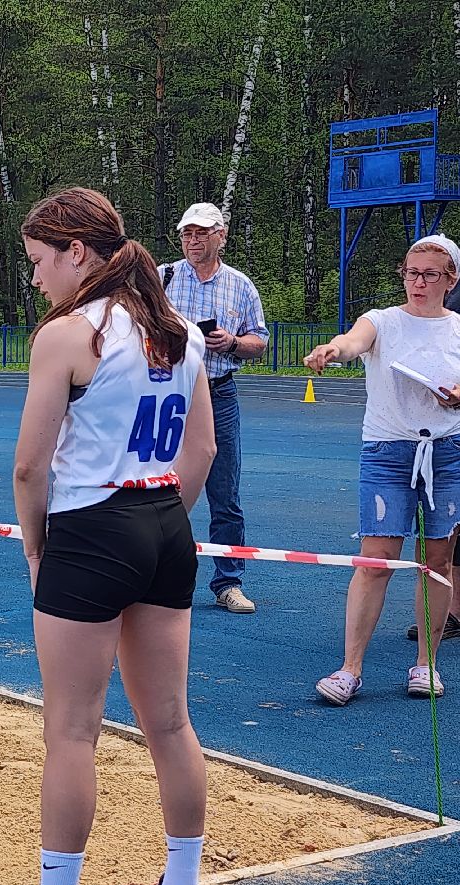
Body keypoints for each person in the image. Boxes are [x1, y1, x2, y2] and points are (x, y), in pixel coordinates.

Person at [0, 188, 217, 885]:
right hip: (163, 524)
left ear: (75, 251)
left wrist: (37, 548)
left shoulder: (67, 336)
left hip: (93, 530)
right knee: (172, 724)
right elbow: (203, 452)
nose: (38, 279)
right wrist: (158, 517)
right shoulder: (177, 332)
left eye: (39, 262)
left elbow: (28, 466)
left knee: (72, 730)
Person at [302, 235, 460, 704]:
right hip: (389, 451)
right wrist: (333, 349)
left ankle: (426, 665)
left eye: (430, 274)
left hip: (447, 451)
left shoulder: (457, 328)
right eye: (411, 272)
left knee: (437, 562)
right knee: (376, 561)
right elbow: (355, 341)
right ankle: (350, 668)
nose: (418, 282)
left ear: (450, 280)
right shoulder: (383, 320)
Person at [161, 202, 269, 614]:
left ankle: (228, 581)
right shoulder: (163, 277)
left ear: (221, 236)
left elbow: (259, 339)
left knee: (225, 493)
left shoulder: (240, 286)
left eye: (202, 233)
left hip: (219, 391)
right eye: (187, 233)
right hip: (169, 393)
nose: (193, 240)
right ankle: (160, 572)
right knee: (156, 485)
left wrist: (234, 344)